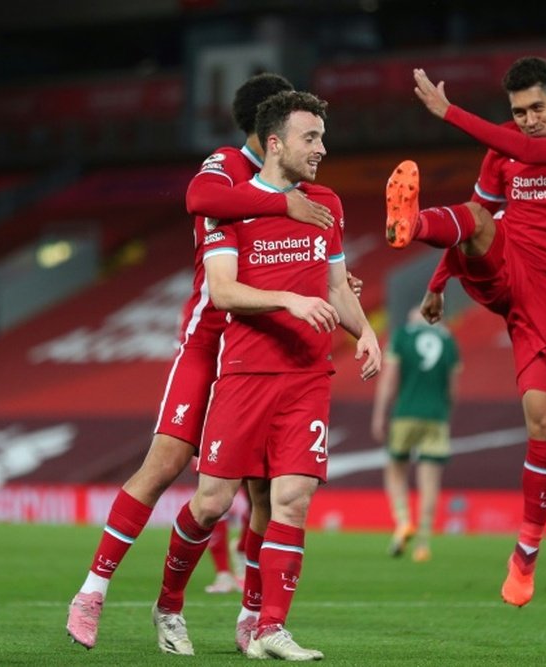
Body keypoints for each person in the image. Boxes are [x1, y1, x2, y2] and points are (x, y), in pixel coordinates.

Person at [65, 72, 346, 652]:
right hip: (210, 345)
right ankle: (93, 590)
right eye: (297, 127)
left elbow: (314, 261)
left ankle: (254, 619)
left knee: (269, 497)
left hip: (265, 351)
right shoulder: (225, 166)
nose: (310, 141)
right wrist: (281, 206)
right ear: (268, 130)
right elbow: (199, 199)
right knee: (167, 463)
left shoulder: (306, 191)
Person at [150, 89, 381, 661]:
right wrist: (288, 301)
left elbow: (334, 287)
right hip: (246, 372)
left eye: (323, 137)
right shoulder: (229, 204)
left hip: (307, 376)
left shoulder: (326, 202)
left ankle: (267, 627)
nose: (321, 148)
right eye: (311, 138)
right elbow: (224, 291)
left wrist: (367, 331)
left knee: (293, 499)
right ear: (275, 142)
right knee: (210, 504)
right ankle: (169, 606)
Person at [384, 57, 546, 607]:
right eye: (519, 112)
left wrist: (449, 113)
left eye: (538, 107)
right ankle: (412, 224)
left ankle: (525, 555)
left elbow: (537, 152)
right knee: (481, 219)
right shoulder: (503, 150)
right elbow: (476, 213)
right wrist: (439, 283)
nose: (529, 120)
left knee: (544, 418)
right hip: (507, 263)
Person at [371, 305, 461, 563]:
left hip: (405, 414)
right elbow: (453, 389)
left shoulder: (402, 336)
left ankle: (402, 520)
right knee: (430, 481)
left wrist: (379, 414)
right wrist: (446, 414)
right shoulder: (449, 341)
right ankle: (423, 543)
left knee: (395, 469)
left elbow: (388, 379)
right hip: (436, 417)